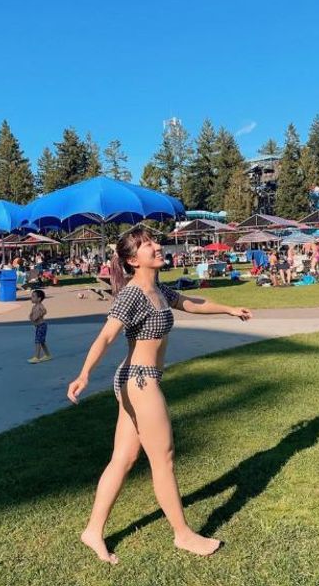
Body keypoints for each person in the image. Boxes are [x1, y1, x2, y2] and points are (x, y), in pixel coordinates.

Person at [67, 227, 251, 564]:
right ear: (132, 260)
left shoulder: (158, 290)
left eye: (153, 240)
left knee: (123, 459)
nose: (155, 246)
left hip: (134, 379)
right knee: (163, 457)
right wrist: (84, 375)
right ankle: (183, 535)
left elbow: (192, 303)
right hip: (140, 381)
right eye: (145, 245)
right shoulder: (132, 295)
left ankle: (92, 530)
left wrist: (229, 308)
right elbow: (106, 336)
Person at [27, 289, 52, 363]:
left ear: (39, 299)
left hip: (42, 325)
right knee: (42, 341)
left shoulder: (40, 306)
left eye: (33, 296)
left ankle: (36, 357)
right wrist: (31, 317)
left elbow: (44, 311)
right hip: (38, 326)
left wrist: (38, 315)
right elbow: (31, 314)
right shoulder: (34, 307)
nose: (31, 298)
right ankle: (48, 355)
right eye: (32, 296)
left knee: (38, 341)